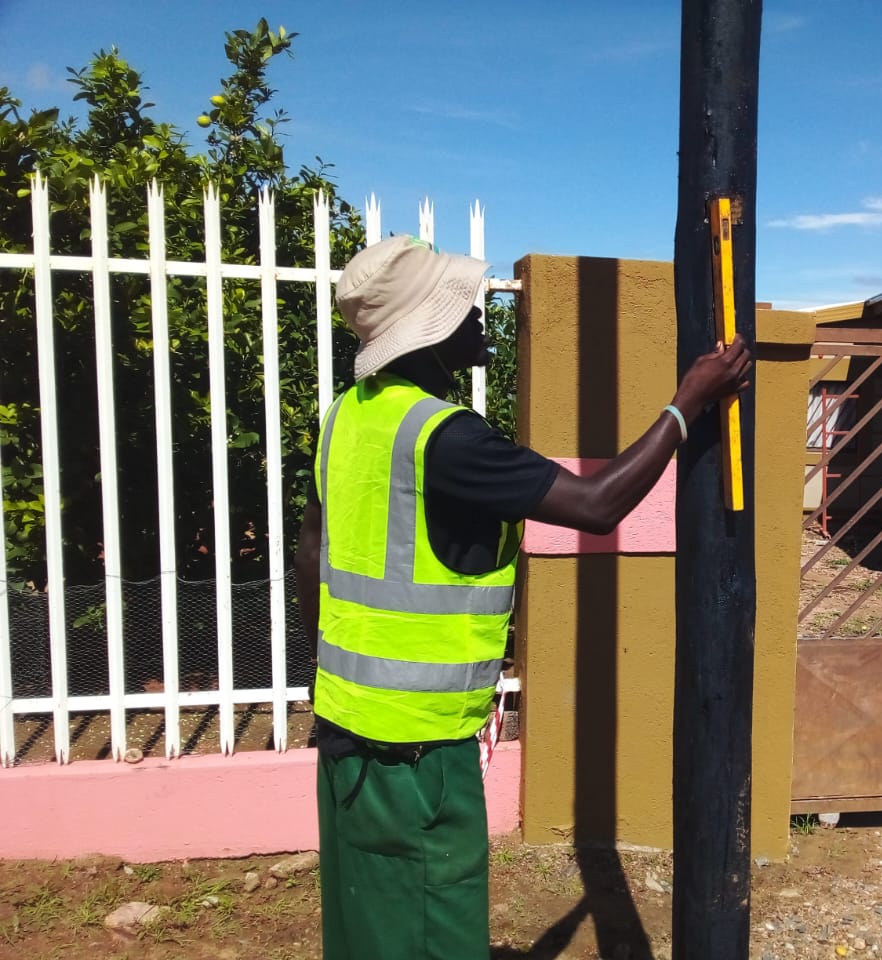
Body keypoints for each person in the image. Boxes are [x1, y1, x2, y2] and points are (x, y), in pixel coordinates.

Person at [293, 234, 751, 960]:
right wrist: (684, 406)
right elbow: (597, 505)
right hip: (415, 750)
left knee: (368, 922)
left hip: (347, 724)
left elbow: (310, 550)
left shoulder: (347, 416)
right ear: (428, 332)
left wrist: (331, 676)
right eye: (461, 305)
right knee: (432, 931)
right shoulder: (445, 439)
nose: (479, 313)